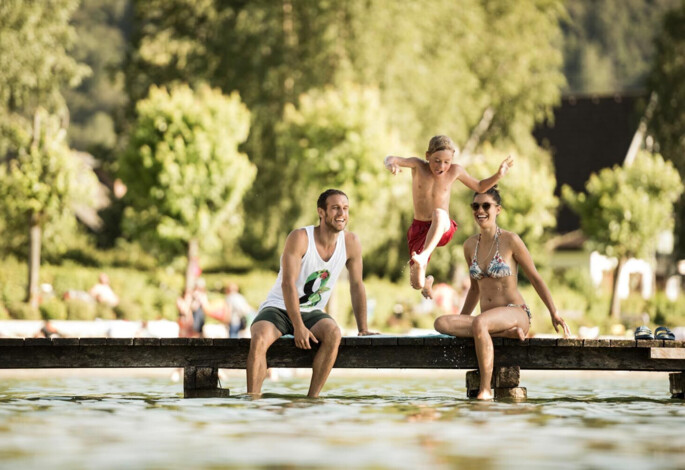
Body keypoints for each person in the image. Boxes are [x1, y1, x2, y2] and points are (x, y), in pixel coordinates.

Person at [434, 187, 571, 400]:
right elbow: (474, 289)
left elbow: (535, 277)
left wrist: (554, 312)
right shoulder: (470, 245)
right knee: (441, 323)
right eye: (476, 206)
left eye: (486, 205)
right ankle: (504, 332)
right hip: (487, 320)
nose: (480, 210)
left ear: (498, 209)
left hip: (515, 312)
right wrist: (462, 319)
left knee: (479, 324)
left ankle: (485, 390)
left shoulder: (511, 240)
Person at [246, 189, 377, 398]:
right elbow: (288, 284)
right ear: (321, 212)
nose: (341, 213)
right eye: (335, 208)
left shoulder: (351, 242)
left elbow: (356, 284)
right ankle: (252, 399)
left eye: (345, 208)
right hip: (278, 307)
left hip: (312, 311)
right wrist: (298, 326)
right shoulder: (300, 237)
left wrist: (363, 328)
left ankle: (311, 399)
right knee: (259, 337)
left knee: (334, 333)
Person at [384, 135, 514, 299]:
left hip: (442, 225)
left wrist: (498, 175)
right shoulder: (417, 166)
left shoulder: (455, 171)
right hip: (420, 227)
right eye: (437, 160)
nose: (442, 166)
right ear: (427, 156)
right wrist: (391, 164)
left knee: (438, 213)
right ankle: (427, 284)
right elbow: (390, 158)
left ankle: (424, 257)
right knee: (416, 283)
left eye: (447, 162)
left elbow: (480, 186)